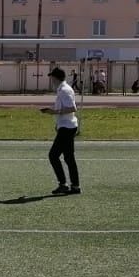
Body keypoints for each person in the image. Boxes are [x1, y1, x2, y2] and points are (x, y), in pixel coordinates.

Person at [41, 66, 80, 195]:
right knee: (69, 158)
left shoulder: (64, 90)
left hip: (67, 128)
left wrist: (54, 112)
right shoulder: (62, 89)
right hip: (66, 126)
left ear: (56, 77)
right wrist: (58, 121)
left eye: (52, 76)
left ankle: (63, 184)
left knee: (53, 155)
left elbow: (72, 108)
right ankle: (74, 186)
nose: (51, 79)